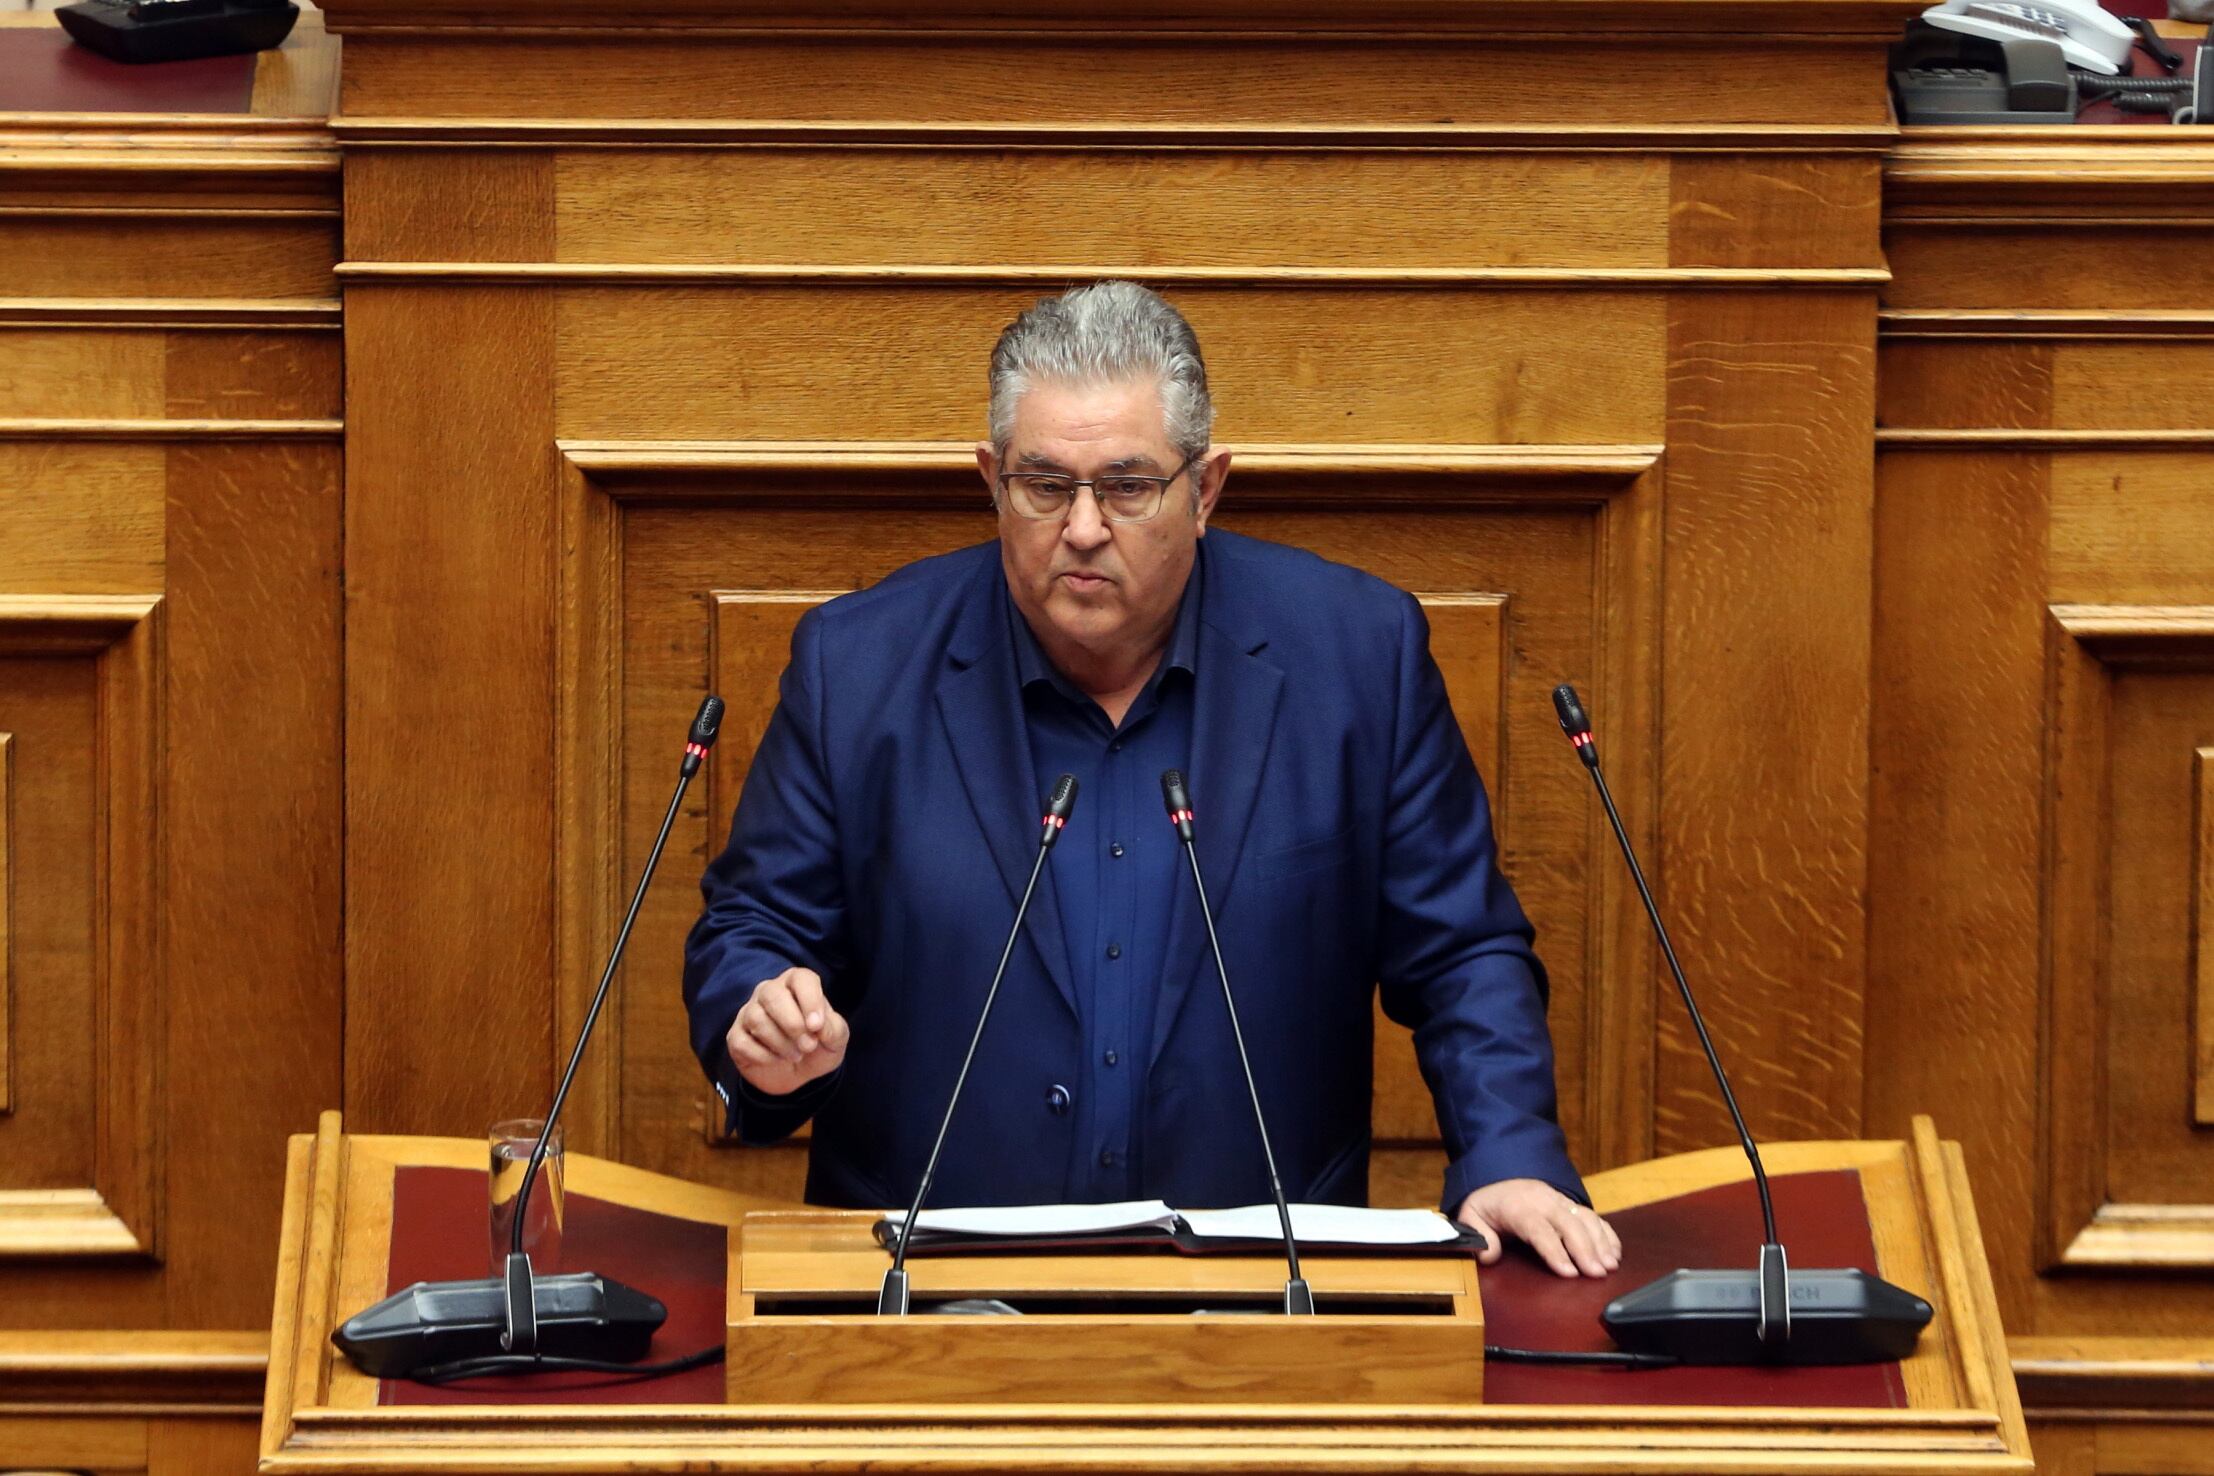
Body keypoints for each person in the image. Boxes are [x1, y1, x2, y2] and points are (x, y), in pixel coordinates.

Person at [684, 281, 1620, 1278]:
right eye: (1045, 486)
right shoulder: (857, 665)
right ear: (991, 479)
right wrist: (760, 1017)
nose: (1083, 527)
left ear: (1206, 488)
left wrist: (1509, 1153)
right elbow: (755, 932)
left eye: (1128, 487)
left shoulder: (1357, 658)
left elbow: (1462, 952)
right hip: (925, 1292)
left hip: (1264, 1297)